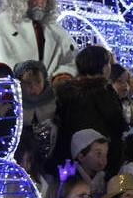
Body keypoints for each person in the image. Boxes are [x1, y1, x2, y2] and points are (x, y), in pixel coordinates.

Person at [53, 45, 128, 175]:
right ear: (104, 68)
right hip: (101, 161)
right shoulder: (103, 92)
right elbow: (117, 125)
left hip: (73, 160)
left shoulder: (67, 93)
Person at [13, 60, 58, 159]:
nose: (33, 87)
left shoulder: (53, 98)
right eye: (28, 83)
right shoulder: (16, 101)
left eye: (38, 82)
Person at [70, 129, 110, 198]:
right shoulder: (69, 182)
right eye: (98, 154)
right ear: (81, 157)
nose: (104, 159)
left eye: (106, 154)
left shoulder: (107, 179)